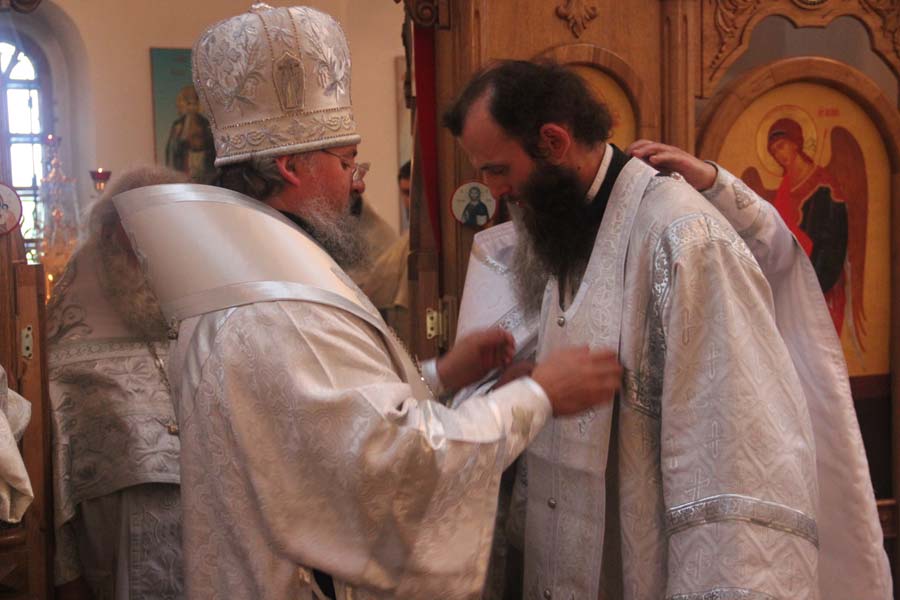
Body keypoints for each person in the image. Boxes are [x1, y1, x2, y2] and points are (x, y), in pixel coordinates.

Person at [113, 6, 621, 599]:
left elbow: (330, 413)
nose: (358, 181)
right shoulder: (279, 309)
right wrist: (538, 395)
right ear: (291, 167)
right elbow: (400, 468)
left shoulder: (251, 275)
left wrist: (441, 375)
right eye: (348, 161)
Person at [443, 60, 830, 599]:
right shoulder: (562, 223)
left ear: (553, 142)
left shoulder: (685, 239)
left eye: (499, 169)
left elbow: (731, 457)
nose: (496, 191)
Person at [47, 166, 187, 599]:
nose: (155, 242)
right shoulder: (76, 311)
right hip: (119, 512)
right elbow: (58, 415)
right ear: (110, 231)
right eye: (141, 224)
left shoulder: (190, 292)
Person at [164, 85, 216, 184]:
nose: (192, 107)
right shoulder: (178, 124)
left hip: (203, 164)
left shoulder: (205, 124)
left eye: (194, 104)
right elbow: (172, 148)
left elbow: (212, 146)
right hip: (185, 164)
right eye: (189, 104)